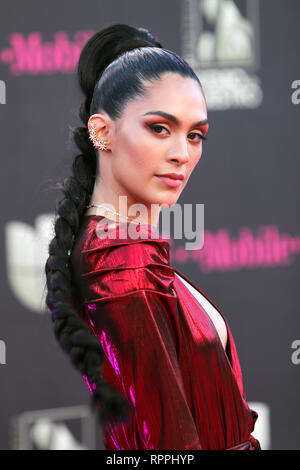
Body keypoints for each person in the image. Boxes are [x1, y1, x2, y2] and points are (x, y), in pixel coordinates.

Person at [45, 23, 261, 450]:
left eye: (195, 134)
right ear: (102, 132)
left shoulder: (118, 248)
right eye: (160, 128)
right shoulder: (120, 262)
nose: (183, 153)